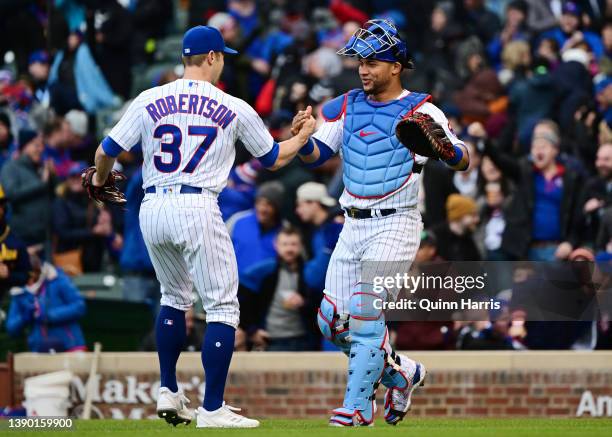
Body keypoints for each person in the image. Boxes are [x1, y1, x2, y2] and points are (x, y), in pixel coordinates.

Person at [86, 25, 315, 428]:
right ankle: (212, 408)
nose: (222, 60)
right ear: (211, 57)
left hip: (153, 206)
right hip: (196, 203)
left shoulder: (149, 98)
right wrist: (302, 137)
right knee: (223, 307)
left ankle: (169, 390)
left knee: (174, 298)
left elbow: (106, 150)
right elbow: (274, 159)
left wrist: (102, 181)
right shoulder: (234, 105)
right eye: (221, 55)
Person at [290, 19, 470, 426]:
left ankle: (357, 406)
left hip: (397, 222)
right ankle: (402, 374)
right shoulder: (349, 104)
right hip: (351, 224)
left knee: (366, 313)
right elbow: (320, 153)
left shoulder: (423, 109)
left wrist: (444, 150)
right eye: (360, 61)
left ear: (395, 66)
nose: (363, 69)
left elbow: (463, 156)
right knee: (331, 322)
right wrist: (302, 140)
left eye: (372, 61)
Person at [239, 226, 320, 352]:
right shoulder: (263, 271)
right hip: (270, 339)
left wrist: (304, 303)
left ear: (300, 246)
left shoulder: (310, 272)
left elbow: (321, 306)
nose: (289, 249)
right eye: (285, 244)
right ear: (276, 245)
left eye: (293, 244)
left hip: (304, 340)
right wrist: (251, 330)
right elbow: (241, 299)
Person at [6, 259, 86, 353]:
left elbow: (79, 306)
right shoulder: (19, 292)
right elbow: (11, 328)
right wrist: (24, 318)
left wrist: (48, 315)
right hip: (40, 350)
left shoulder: (58, 280)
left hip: (70, 346)